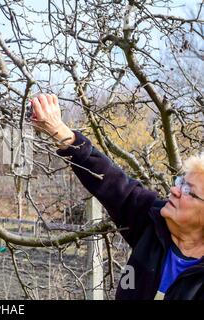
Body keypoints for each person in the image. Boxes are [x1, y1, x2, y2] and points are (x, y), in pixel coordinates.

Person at [30, 93, 204, 300]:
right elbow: (111, 181)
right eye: (180, 182)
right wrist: (60, 132)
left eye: (187, 190)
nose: (175, 190)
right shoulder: (153, 222)